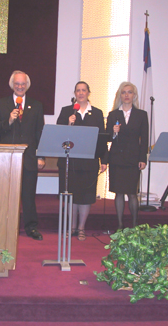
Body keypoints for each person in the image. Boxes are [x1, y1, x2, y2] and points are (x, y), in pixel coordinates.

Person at [0, 70, 46, 240]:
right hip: (7, 158)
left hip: (29, 158)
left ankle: (31, 227)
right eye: (17, 84)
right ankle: (4, 225)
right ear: (12, 85)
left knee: (28, 195)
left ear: (27, 86)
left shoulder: (36, 105)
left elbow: (39, 132)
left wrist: (41, 156)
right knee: (5, 194)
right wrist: (9, 121)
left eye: (23, 84)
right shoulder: (0, 104)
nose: (20, 87)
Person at [56, 81, 107, 241]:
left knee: (85, 195)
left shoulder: (97, 113)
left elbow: (102, 139)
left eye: (84, 90)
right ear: (75, 93)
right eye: (78, 90)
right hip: (70, 160)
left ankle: (81, 227)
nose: (81, 93)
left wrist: (104, 160)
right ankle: (71, 227)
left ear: (88, 93)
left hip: (89, 161)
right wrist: (68, 123)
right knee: (71, 194)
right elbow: (58, 134)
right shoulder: (67, 111)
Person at [106, 82, 148, 230]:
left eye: (130, 92)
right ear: (120, 95)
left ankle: (135, 225)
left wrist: (143, 158)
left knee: (132, 193)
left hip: (133, 158)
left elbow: (144, 139)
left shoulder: (141, 115)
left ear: (134, 95)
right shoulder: (113, 115)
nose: (126, 95)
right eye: (124, 92)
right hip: (117, 158)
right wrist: (114, 131)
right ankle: (120, 225)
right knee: (118, 193)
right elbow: (108, 138)